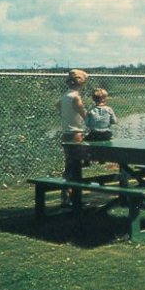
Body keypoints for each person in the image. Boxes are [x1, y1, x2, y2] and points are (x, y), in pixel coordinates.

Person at [56, 69, 88, 207]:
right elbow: (85, 115)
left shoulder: (65, 96)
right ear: (82, 83)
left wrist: (67, 117)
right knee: (74, 167)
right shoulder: (76, 97)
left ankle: (67, 197)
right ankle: (71, 199)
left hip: (66, 133)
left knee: (70, 165)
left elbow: (57, 105)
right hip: (76, 134)